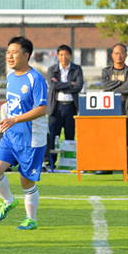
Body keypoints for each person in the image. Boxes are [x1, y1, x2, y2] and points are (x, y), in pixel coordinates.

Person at [0, 36, 48, 231]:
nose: (9, 56)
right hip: (11, 136)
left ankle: (31, 219)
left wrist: (15, 119)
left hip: (31, 139)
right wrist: (8, 120)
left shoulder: (35, 79)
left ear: (26, 55)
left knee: (26, 182)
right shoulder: (10, 76)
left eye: (14, 52)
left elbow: (42, 109)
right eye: (8, 52)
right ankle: (9, 201)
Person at [46, 44, 83, 172]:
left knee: (70, 135)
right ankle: (51, 162)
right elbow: (52, 85)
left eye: (66, 54)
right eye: (61, 55)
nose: (64, 57)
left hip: (71, 107)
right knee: (53, 135)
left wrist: (60, 85)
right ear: (57, 56)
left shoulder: (77, 69)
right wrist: (69, 84)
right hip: (56, 107)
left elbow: (78, 86)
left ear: (70, 55)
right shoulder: (52, 69)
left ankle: (68, 162)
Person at [101, 43, 128, 172]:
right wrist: (120, 83)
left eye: (121, 53)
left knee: (127, 139)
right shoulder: (106, 71)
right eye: (116, 53)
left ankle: (127, 166)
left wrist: (113, 88)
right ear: (112, 55)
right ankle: (108, 166)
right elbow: (104, 85)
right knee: (109, 139)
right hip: (110, 109)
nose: (119, 56)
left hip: (126, 108)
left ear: (126, 55)